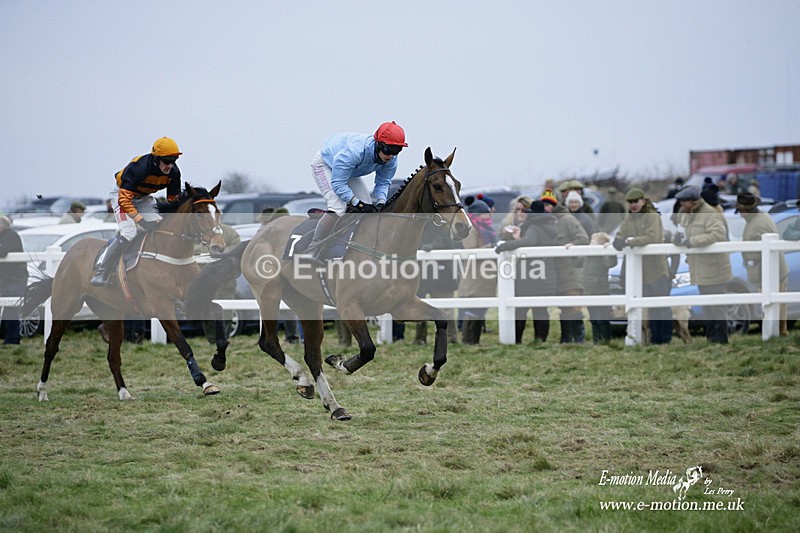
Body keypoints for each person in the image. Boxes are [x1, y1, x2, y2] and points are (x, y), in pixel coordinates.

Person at [307, 121, 407, 261]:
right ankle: (312, 249)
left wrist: (381, 202)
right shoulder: (355, 152)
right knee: (338, 206)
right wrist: (357, 204)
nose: (390, 155)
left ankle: (341, 237)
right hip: (325, 165)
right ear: (378, 144)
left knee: (367, 205)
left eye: (396, 151)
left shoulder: (391, 160)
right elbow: (338, 183)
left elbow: (383, 183)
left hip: (349, 171)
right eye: (388, 150)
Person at [90, 137, 183, 286]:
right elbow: (125, 201)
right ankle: (102, 271)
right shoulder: (139, 168)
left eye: (174, 160)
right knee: (129, 233)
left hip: (144, 198)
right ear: (156, 158)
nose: (170, 165)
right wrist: (140, 220)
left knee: (161, 226)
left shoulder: (174, 173)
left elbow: (173, 201)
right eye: (166, 161)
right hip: (122, 196)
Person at [673, 186, 732, 344]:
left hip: (714, 268)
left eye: (683, 202)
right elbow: (681, 231)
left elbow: (718, 234)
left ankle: (720, 340)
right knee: (708, 306)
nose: (681, 205)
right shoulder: (687, 215)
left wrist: (692, 241)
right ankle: (712, 339)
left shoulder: (710, 214)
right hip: (700, 268)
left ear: (692, 202)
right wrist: (677, 239)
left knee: (717, 306)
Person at [613, 188, 672, 344]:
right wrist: (618, 240)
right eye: (630, 202)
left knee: (662, 306)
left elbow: (652, 237)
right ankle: (654, 340)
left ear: (643, 201)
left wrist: (628, 242)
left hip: (657, 269)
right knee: (651, 307)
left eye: (635, 201)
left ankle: (665, 340)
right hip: (641, 271)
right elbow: (621, 233)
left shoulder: (652, 216)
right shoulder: (629, 219)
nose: (633, 205)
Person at [495, 201, 560, 343]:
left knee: (520, 309)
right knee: (541, 310)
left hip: (532, 275)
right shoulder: (550, 226)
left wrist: (505, 246)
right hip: (547, 274)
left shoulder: (535, 226)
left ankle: (515, 340)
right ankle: (540, 340)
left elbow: (528, 242)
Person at [737, 192, 789, 336]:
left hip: (768, 272)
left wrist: (747, 257)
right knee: (776, 305)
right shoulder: (758, 219)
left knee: (772, 305)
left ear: (746, 210)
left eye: (741, 210)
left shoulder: (758, 225)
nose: (739, 213)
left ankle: (775, 334)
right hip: (770, 270)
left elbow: (758, 253)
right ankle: (778, 333)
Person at [546, 190, 590, 343]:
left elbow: (583, 238)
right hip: (556, 271)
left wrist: (573, 245)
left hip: (571, 271)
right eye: (544, 204)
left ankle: (579, 339)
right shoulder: (549, 221)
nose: (546, 207)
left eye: (549, 204)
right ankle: (566, 338)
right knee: (563, 307)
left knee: (574, 306)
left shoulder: (567, 219)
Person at [459, 198, 497, 345]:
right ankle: (468, 340)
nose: (488, 216)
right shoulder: (470, 229)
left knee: (481, 308)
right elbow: (470, 251)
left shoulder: (486, 228)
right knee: (474, 308)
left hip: (486, 274)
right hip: (475, 275)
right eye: (485, 213)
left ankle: (476, 339)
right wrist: (491, 247)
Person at [585, 232, 617, 343]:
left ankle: (605, 339)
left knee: (601, 317)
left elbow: (611, 263)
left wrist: (610, 251)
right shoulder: (587, 256)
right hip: (588, 290)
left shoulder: (603, 257)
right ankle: (596, 340)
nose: (590, 245)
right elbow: (576, 261)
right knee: (593, 317)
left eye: (593, 243)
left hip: (600, 289)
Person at [0, 216, 26, 345]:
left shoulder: (11, 236)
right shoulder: (5, 236)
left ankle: (13, 338)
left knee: (11, 308)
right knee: (7, 307)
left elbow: (3, 251)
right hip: (6, 279)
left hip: (15, 279)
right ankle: (8, 337)